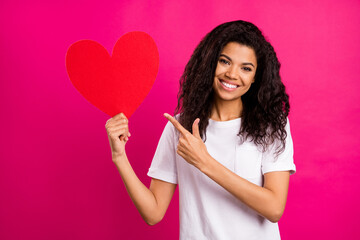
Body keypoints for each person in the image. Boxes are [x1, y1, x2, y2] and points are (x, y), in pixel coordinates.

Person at [105, 20, 296, 240]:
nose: (232, 74)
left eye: (246, 68)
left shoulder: (271, 126)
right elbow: (153, 212)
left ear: (255, 77)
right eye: (224, 61)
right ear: (210, 63)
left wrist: (205, 162)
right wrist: (119, 157)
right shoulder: (180, 128)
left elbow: (274, 208)